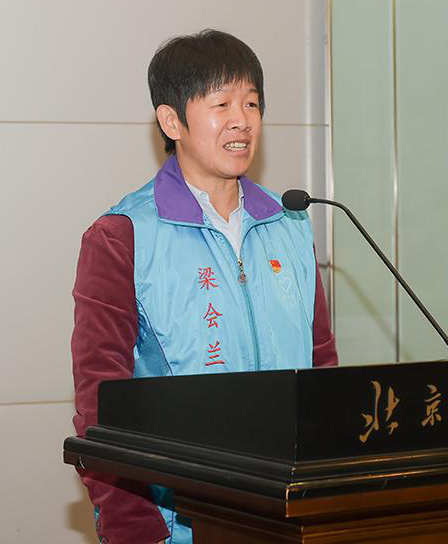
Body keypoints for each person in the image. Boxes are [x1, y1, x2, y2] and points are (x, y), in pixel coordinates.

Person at [70, 29, 338, 544]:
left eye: (251, 103)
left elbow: (322, 368)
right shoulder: (123, 236)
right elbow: (99, 402)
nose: (242, 120)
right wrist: (137, 530)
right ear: (172, 120)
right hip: (180, 524)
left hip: (294, 517)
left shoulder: (289, 225)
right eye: (221, 104)